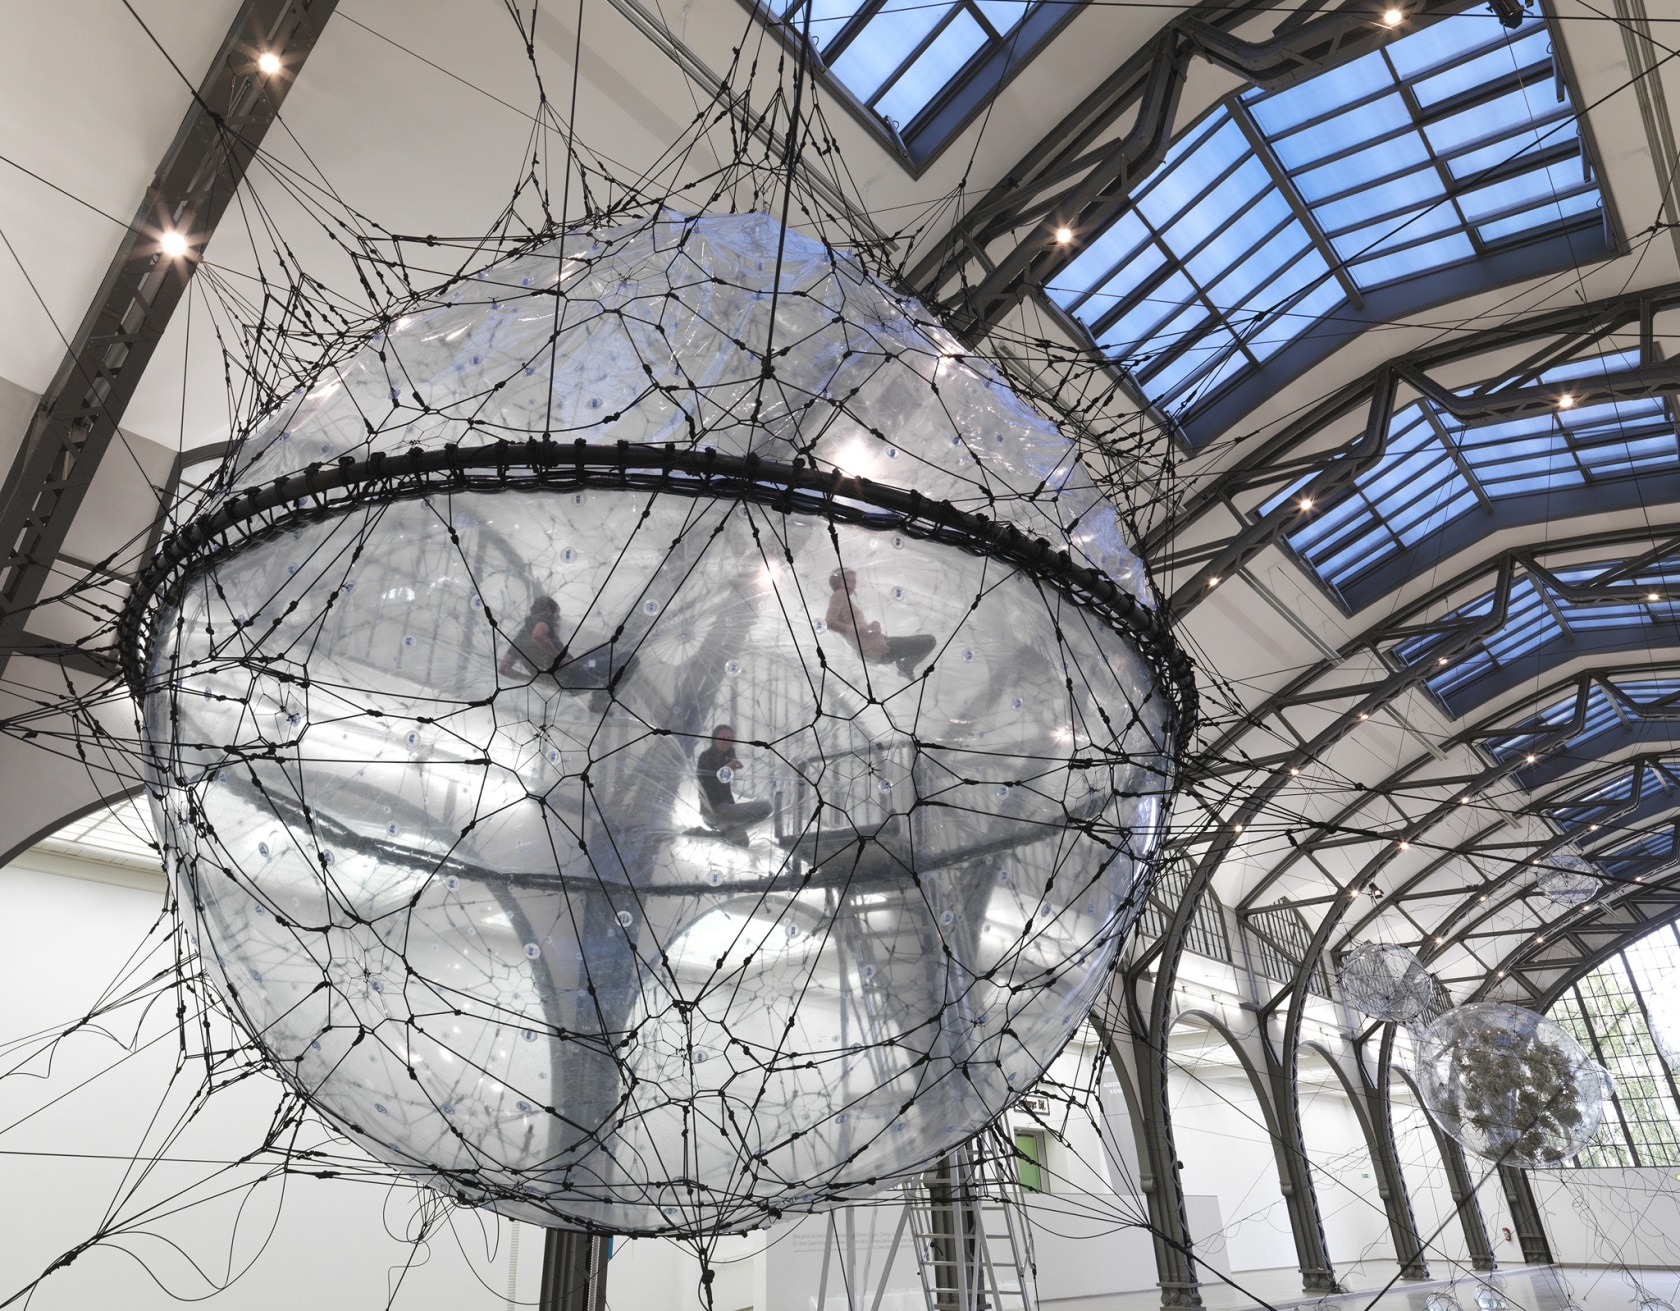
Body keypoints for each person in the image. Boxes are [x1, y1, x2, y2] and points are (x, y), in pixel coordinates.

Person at [825, 567, 936, 679]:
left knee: (928, 642)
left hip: (878, 645)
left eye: (854, 581)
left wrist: (872, 626)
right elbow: (830, 622)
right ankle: (905, 666)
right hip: (876, 649)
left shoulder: (845, 599)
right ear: (838, 582)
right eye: (849, 580)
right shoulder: (840, 594)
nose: (853, 584)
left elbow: (856, 627)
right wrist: (861, 630)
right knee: (929, 641)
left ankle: (906, 666)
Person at [695, 725, 772, 835]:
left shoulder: (725, 757)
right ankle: (730, 832)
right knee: (766, 807)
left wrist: (729, 769)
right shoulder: (706, 757)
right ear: (714, 738)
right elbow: (710, 788)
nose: (726, 741)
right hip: (714, 811)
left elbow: (723, 790)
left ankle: (730, 833)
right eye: (723, 737)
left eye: (730, 738)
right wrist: (726, 770)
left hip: (722, 811)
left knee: (742, 842)